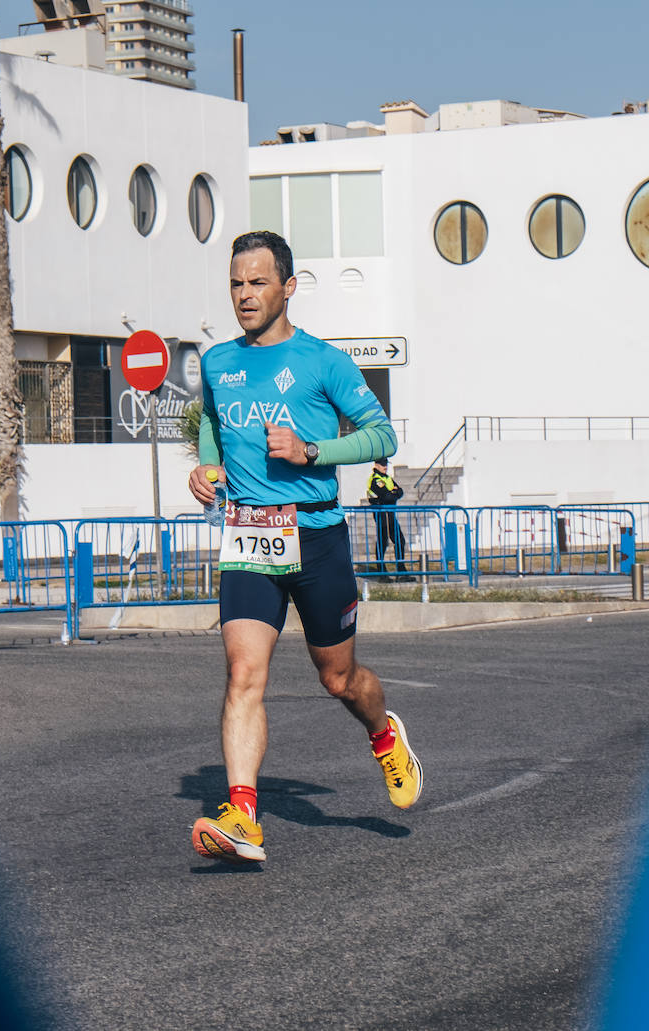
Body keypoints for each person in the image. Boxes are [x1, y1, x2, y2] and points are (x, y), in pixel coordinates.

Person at [186, 230, 423, 864]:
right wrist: (208, 467)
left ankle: (383, 734)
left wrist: (311, 450)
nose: (244, 295)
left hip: (317, 536)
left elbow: (382, 437)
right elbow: (212, 419)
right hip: (249, 536)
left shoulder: (324, 362)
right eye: (236, 283)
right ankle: (242, 814)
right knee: (243, 675)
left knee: (339, 679)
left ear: (287, 288)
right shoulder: (216, 362)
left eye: (257, 282)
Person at [367, 458, 412, 581]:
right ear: (376, 465)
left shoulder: (387, 478)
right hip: (381, 512)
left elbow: (400, 491)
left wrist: (393, 494)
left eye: (386, 464)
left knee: (399, 540)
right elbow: (386, 496)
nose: (385, 466)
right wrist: (393, 493)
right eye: (382, 464)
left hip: (390, 513)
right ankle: (382, 572)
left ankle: (401, 571)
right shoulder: (376, 479)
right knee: (383, 541)